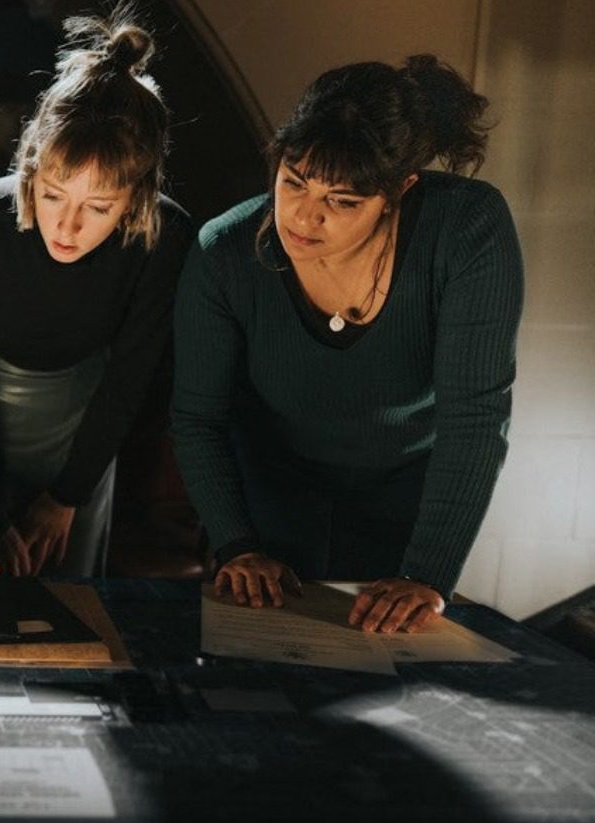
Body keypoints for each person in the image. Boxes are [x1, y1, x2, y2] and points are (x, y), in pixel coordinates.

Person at [173, 54, 523, 635]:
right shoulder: (226, 251)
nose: (305, 217)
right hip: (270, 493)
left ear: (400, 190)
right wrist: (236, 544)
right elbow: (197, 418)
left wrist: (428, 574)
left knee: (390, 665)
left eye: (342, 201)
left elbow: (476, 418)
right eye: (293, 182)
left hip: (405, 494)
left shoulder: (467, 231)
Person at [0, 2, 193, 578]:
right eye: (51, 196)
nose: (66, 229)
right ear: (29, 169)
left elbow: (128, 380)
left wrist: (69, 495)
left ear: (136, 199)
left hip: (83, 438)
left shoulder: (164, 239)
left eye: (98, 208)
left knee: (68, 609)